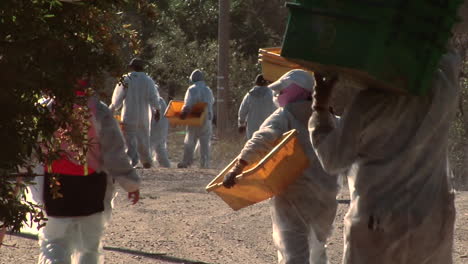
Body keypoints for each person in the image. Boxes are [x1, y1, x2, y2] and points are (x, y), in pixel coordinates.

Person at [309, 50, 461, 264]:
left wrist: (321, 108)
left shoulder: (368, 104)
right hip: (432, 218)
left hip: (377, 223)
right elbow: (447, 54)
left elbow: (333, 160)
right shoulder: (443, 91)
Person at [223, 69, 339, 264]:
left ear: (294, 91)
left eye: (282, 91)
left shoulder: (284, 115)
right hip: (325, 196)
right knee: (318, 250)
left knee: (295, 253)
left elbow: (260, 140)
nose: (278, 95)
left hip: (292, 193)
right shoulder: (329, 117)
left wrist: (238, 166)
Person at [34, 80, 141, 264]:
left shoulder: (45, 110)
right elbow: (114, 153)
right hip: (92, 187)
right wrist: (130, 184)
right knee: (89, 247)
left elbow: (31, 153)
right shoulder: (99, 111)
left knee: (54, 244)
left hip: (55, 186)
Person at [109, 58, 160, 168]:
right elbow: (154, 97)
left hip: (129, 114)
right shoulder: (148, 80)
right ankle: (146, 160)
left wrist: (113, 108)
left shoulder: (126, 79)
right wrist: (157, 110)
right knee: (144, 138)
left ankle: (133, 160)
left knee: (129, 138)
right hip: (144, 116)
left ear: (131, 67)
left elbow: (117, 98)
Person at [177, 69, 214, 169]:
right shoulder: (208, 89)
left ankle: (187, 161)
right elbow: (212, 102)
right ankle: (204, 163)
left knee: (190, 139)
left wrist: (183, 114)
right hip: (207, 118)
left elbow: (188, 104)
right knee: (205, 141)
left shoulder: (191, 89)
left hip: (195, 115)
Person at [238, 74, 277, 139]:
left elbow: (242, 110)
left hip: (252, 127)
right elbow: (276, 109)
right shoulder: (272, 94)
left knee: (253, 146)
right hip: (268, 126)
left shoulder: (250, 95)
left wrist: (241, 123)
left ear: (256, 82)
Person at [150, 96, 171, 168]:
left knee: (149, 146)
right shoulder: (161, 100)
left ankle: (148, 164)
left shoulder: (151, 100)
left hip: (155, 127)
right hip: (162, 128)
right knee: (160, 147)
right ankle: (166, 165)